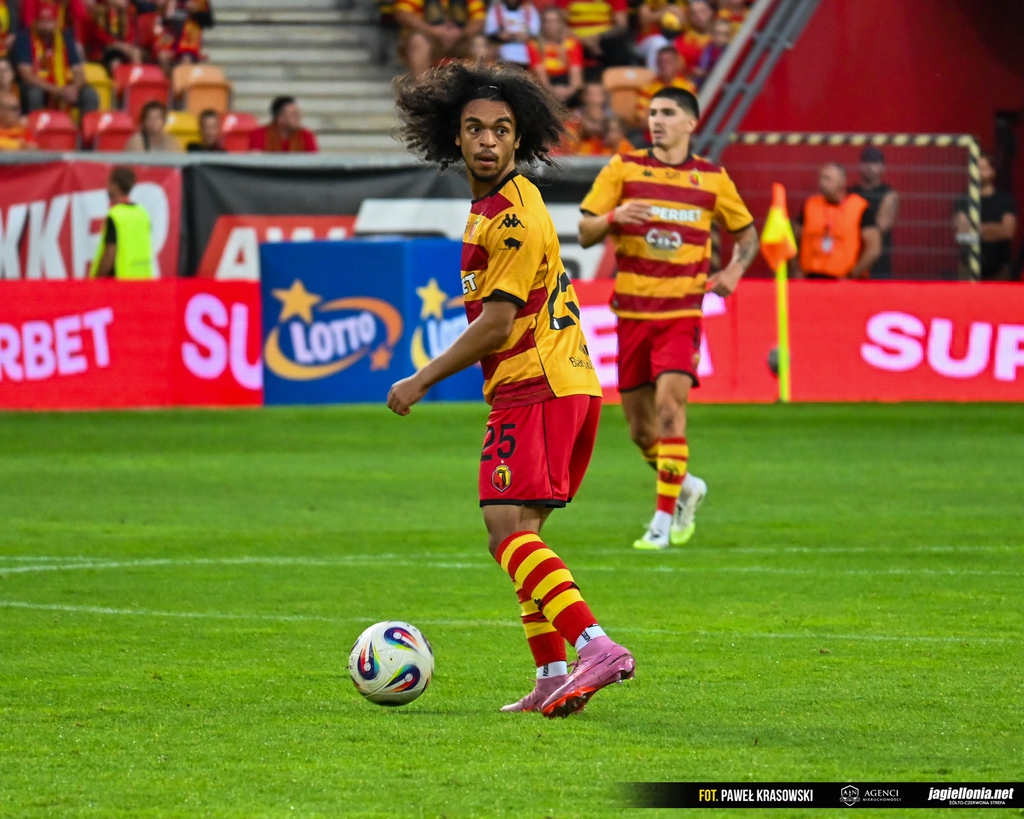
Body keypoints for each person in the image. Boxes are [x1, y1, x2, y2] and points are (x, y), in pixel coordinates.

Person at [390, 62, 634, 718]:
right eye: (475, 129)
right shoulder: (496, 206)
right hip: (558, 382)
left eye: (501, 130)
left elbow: (497, 324)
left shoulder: (513, 219)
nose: (488, 140)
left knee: (505, 531)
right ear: (455, 136)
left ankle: (596, 646)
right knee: (522, 533)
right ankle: (552, 674)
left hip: (538, 384)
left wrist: (420, 378)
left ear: (519, 139)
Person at [577, 86, 758, 550]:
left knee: (669, 411)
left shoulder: (712, 179)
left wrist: (734, 270)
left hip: (681, 313)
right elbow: (584, 231)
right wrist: (615, 215)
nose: (656, 120)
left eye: (668, 113)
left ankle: (660, 524)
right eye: (653, 112)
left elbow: (748, 235)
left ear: (690, 123)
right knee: (641, 432)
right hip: (631, 315)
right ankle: (687, 485)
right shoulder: (623, 168)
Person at [793, 162, 881, 279]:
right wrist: (796, 269)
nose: (822, 182)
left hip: (843, 281)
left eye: (828, 179)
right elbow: (792, 239)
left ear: (842, 182)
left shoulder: (860, 207)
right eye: (821, 178)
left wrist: (853, 275)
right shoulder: (810, 205)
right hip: (810, 278)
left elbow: (874, 248)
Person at [13, 1, 99, 113]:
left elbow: (79, 72)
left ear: (56, 22)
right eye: (42, 21)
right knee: (35, 94)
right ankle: (38, 123)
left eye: (50, 22)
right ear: (35, 22)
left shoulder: (66, 37)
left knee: (90, 94)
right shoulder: (24, 38)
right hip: (39, 86)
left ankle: (86, 124)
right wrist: (57, 90)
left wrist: (73, 88)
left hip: (62, 83)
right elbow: (27, 75)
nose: (46, 26)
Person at [953, 153, 1017, 281]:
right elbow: (961, 236)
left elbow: (1008, 232)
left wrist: (974, 229)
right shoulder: (963, 200)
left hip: (998, 270)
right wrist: (994, 229)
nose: (979, 172)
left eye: (983, 168)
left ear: (993, 171)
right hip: (968, 269)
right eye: (976, 168)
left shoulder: (1005, 200)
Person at [393, 0, 485, 80]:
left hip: (460, 41)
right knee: (418, 40)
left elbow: (480, 19)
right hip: (431, 40)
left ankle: (478, 88)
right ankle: (423, 89)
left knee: (480, 43)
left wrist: (461, 33)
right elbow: (402, 13)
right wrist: (432, 31)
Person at [89, 166, 153, 279]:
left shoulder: (115, 216)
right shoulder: (142, 213)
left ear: (116, 186)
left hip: (120, 282)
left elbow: (110, 253)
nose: (107, 187)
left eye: (109, 183)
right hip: (142, 281)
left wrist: (97, 280)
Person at [849, 146, 898, 279]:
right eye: (866, 162)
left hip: (878, 262)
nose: (870, 167)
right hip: (853, 257)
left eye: (875, 163)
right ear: (860, 165)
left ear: (882, 167)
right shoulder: (851, 193)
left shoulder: (889, 195)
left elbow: (880, 228)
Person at [556, 0, 630, 78]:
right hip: (576, 38)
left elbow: (622, 26)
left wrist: (599, 37)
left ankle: (617, 79)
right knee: (569, 45)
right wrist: (583, 40)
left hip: (605, 38)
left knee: (616, 45)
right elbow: (561, 24)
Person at [526, 7, 583, 106]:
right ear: (542, 24)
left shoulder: (572, 43)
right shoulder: (534, 45)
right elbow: (540, 74)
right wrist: (553, 91)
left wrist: (569, 91)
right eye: (547, 21)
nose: (551, 25)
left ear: (561, 24)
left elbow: (576, 74)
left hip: (566, 84)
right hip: (544, 87)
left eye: (555, 21)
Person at [634, 45, 693, 127]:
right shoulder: (647, 88)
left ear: (676, 63)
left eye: (668, 61)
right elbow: (642, 120)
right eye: (661, 62)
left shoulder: (688, 87)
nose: (664, 65)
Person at [81, 0, 143, 75]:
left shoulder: (125, 13)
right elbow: (100, 35)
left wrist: (125, 45)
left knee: (136, 53)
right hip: (103, 49)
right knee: (115, 62)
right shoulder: (98, 12)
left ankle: (136, 79)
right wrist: (118, 44)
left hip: (123, 48)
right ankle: (119, 81)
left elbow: (130, 33)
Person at [249, 95, 318, 152]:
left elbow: (313, 161)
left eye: (298, 113)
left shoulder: (306, 136)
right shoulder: (260, 135)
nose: (298, 117)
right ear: (280, 118)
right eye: (293, 114)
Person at [484, 0, 539, 68]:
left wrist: (526, 35)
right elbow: (490, 32)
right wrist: (499, 36)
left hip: (525, 53)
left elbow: (535, 32)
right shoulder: (496, 8)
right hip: (502, 52)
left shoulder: (529, 9)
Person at [691, 15, 731, 88]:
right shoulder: (704, 49)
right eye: (718, 33)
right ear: (712, 34)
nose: (722, 37)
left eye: (725, 34)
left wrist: (704, 74)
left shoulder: (730, 52)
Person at [673, 0, 712, 70]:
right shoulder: (681, 42)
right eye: (694, 14)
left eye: (703, 11)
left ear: (711, 12)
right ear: (689, 18)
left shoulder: (723, 33)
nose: (699, 16)